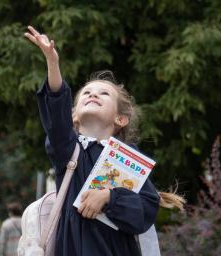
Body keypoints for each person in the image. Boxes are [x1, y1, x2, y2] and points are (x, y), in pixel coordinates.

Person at [24, 26, 184, 256]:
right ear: (74, 117)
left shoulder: (129, 157)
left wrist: (110, 196)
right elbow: (56, 118)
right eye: (86, 93)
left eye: (104, 93)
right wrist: (52, 62)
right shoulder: (68, 148)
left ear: (121, 118)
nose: (93, 94)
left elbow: (145, 211)